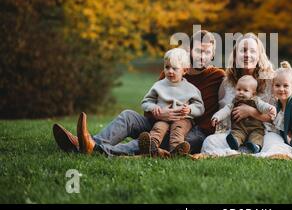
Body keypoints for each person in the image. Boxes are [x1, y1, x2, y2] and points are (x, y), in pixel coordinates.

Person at [52, 30, 225, 156]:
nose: (202, 56)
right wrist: (160, 112)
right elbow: (149, 106)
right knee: (128, 116)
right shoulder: (171, 73)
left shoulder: (218, 76)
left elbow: (238, 88)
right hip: (160, 121)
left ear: (212, 55)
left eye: (207, 52)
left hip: (190, 131)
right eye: (198, 50)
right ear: (189, 51)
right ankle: (88, 142)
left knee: (150, 140)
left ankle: (95, 149)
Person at [201, 33, 276, 155]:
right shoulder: (227, 82)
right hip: (235, 133)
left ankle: (242, 152)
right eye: (243, 50)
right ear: (236, 56)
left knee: (274, 144)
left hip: (263, 134)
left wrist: (251, 112)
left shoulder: (270, 81)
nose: (247, 55)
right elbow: (224, 112)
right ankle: (243, 151)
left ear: (259, 56)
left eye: (252, 51)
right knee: (209, 142)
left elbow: (277, 119)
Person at [138, 48, 204, 158]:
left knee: (178, 130)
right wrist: (153, 107)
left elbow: (200, 107)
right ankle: (150, 146)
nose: (170, 71)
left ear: (185, 70)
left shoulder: (191, 89)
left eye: (175, 68)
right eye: (167, 67)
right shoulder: (159, 85)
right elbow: (145, 102)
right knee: (158, 129)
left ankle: (176, 150)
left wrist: (190, 109)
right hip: (163, 118)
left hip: (183, 118)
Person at [211, 75, 276, 153]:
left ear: (253, 93)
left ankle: (255, 146)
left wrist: (269, 108)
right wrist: (217, 117)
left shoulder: (256, 100)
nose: (241, 92)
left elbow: (263, 106)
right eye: (239, 89)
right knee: (236, 134)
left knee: (257, 136)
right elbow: (225, 110)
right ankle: (235, 143)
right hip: (239, 128)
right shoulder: (234, 102)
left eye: (245, 90)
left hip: (255, 128)